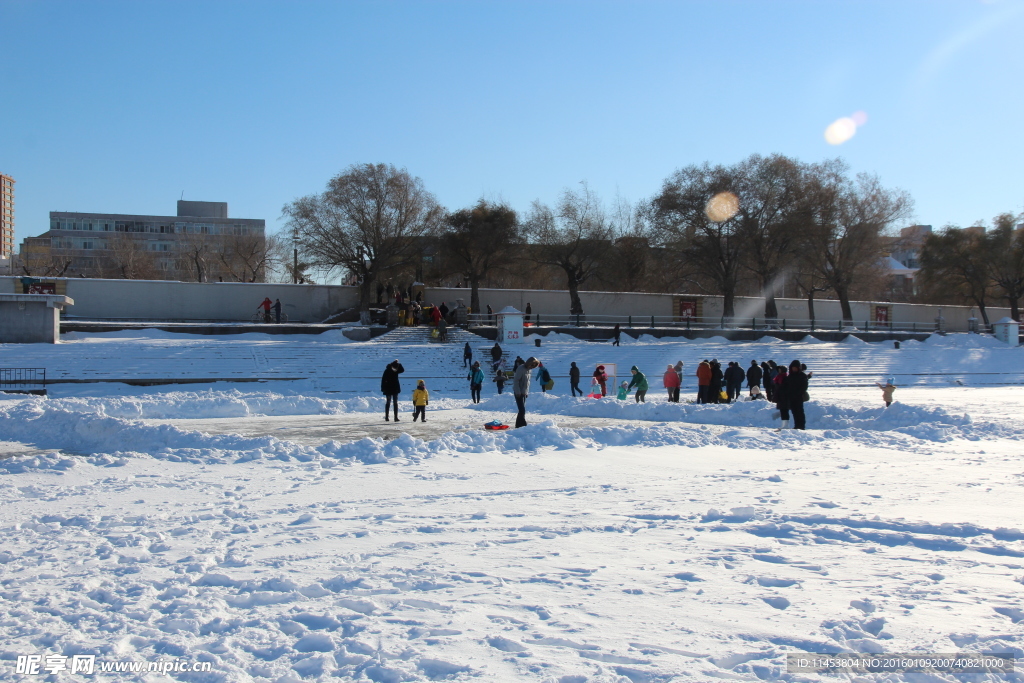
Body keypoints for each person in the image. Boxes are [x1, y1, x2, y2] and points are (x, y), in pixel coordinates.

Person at [513, 356, 539, 428]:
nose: (532, 367)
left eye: (534, 366)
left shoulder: (529, 370)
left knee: (521, 410)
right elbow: (516, 380)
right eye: (532, 365)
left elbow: (527, 383)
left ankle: (518, 426)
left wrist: (526, 392)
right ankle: (523, 425)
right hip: (518, 392)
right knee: (522, 410)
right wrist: (518, 391)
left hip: (523, 393)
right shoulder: (521, 369)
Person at [785, 360, 809, 430]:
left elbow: (804, 386)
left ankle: (801, 426)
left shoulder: (802, 376)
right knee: (794, 412)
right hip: (791, 396)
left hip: (798, 396)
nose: (794, 369)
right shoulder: (790, 376)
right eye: (793, 367)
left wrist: (798, 393)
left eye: (795, 367)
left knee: (800, 412)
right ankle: (796, 425)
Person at [773, 365, 790, 429]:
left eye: (780, 370)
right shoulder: (779, 377)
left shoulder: (785, 377)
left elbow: (784, 387)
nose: (779, 371)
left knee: (785, 411)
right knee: (782, 411)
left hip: (784, 397)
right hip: (780, 397)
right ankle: (783, 425)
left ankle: (786, 425)